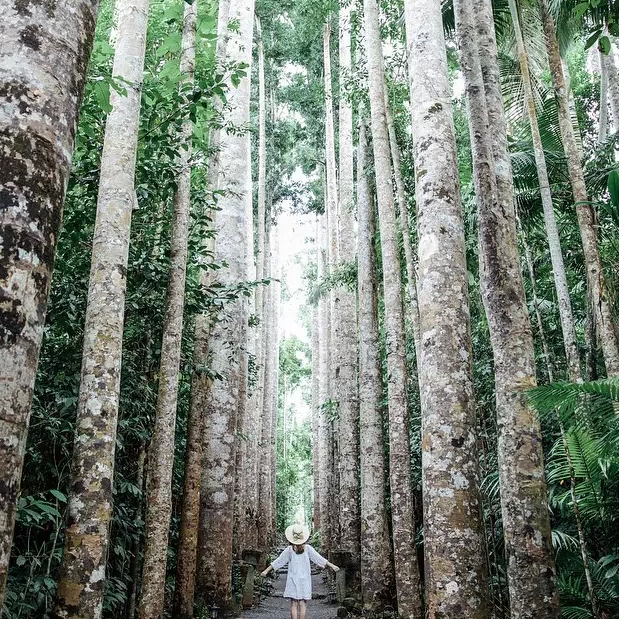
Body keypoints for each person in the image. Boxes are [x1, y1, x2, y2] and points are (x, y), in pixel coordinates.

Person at [260, 523, 339, 619]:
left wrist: (266, 570)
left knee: (293, 603)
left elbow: (278, 561)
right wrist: (332, 566)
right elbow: (319, 559)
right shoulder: (308, 549)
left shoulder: (290, 550)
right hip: (305, 580)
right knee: (302, 603)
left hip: (293, 579)